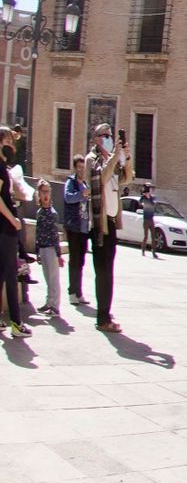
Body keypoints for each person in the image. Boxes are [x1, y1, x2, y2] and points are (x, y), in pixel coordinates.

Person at [85, 123, 133, 333]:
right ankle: (102, 318)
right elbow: (101, 178)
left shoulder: (112, 160)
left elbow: (127, 178)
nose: (108, 138)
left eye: (110, 135)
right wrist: (114, 157)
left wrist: (126, 157)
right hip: (99, 223)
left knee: (109, 271)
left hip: (111, 221)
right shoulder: (91, 160)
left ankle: (106, 311)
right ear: (96, 138)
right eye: (104, 135)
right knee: (102, 271)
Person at [0, 134, 28, 337]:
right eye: (8, 142)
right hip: (5, 228)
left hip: (3, 227)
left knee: (2, 273)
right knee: (11, 273)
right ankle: (16, 323)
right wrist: (13, 219)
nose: (12, 147)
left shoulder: (5, 168)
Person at [62, 156, 91, 306]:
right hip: (73, 226)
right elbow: (68, 198)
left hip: (84, 228)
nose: (81, 170)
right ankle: (72, 292)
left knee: (81, 261)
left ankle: (79, 292)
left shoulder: (85, 183)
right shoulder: (71, 182)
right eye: (79, 167)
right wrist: (82, 195)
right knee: (74, 260)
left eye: (83, 167)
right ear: (75, 168)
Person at [33, 179, 61, 317]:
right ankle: (49, 302)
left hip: (51, 248)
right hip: (43, 248)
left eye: (47, 192)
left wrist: (59, 254)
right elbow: (37, 232)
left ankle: (55, 305)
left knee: (53, 278)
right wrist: (37, 250)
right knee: (47, 278)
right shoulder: (39, 212)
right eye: (43, 192)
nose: (45, 195)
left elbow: (55, 235)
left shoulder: (53, 213)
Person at [138, 183, 161, 260]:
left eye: (149, 191)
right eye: (147, 191)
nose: (148, 192)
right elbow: (139, 202)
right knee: (146, 236)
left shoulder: (152, 198)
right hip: (146, 219)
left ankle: (154, 252)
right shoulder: (143, 198)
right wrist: (143, 197)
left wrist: (149, 198)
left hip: (151, 219)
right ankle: (143, 250)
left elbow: (154, 204)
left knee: (153, 236)